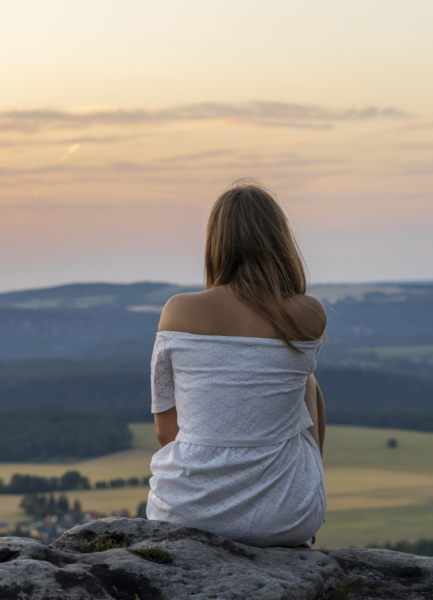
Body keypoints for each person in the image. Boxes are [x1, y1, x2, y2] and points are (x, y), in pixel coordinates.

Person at [146, 180, 327, 548]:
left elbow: (167, 432)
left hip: (185, 511)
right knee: (308, 383)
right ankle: (302, 510)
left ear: (216, 244)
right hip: (285, 517)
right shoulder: (308, 314)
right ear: (279, 242)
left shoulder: (178, 311)